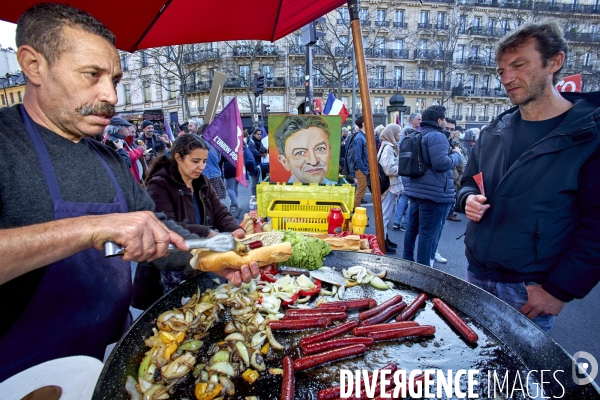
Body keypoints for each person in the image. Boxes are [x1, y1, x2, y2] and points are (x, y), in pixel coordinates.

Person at [0, 4, 259, 382]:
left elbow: (161, 232)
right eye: (92, 75)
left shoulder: (111, 160)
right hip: (19, 374)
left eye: (115, 80)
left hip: (114, 355)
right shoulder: (6, 145)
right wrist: (90, 228)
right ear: (33, 65)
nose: (111, 96)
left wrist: (220, 251)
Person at [457, 20, 600, 332]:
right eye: (501, 71)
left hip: (528, 290)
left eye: (518, 65)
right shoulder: (493, 130)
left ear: (555, 62)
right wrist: (468, 198)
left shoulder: (589, 137)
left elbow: (597, 228)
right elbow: (467, 180)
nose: (507, 78)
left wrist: (559, 290)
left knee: (515, 379)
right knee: (472, 366)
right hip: (476, 274)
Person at [141, 134, 251, 299]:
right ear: (178, 157)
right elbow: (166, 224)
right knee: (182, 310)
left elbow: (220, 212)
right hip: (177, 261)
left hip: (205, 254)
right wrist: (207, 233)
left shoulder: (202, 181)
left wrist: (236, 230)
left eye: (204, 161)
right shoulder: (160, 184)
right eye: (195, 161)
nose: (201, 166)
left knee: (208, 302)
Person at [402, 105, 462, 267]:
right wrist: (457, 155)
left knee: (412, 230)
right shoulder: (437, 136)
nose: (445, 122)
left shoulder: (418, 134)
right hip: (434, 193)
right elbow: (441, 163)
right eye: (443, 119)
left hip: (417, 190)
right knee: (428, 234)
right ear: (439, 120)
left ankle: (407, 264)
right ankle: (424, 270)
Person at [274, 115, 335, 184]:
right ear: (284, 162)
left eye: (320, 149)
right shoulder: (278, 194)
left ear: (329, 152)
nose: (313, 162)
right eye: (300, 153)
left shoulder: (340, 191)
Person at [378, 124, 403, 254]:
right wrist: (403, 169)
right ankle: (381, 243)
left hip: (389, 186)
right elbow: (389, 169)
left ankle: (385, 239)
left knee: (385, 215)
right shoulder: (388, 148)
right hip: (389, 186)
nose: (400, 135)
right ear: (392, 134)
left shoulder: (387, 146)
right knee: (385, 216)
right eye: (398, 133)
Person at [106, 116, 146, 183]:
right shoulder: (114, 141)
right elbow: (126, 162)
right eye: (127, 127)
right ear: (119, 129)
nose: (129, 129)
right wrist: (139, 151)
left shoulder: (120, 139)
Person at [347, 115, 369, 206]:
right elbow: (358, 157)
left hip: (362, 169)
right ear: (364, 123)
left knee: (361, 192)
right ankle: (356, 214)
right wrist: (365, 171)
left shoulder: (361, 136)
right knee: (360, 193)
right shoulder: (360, 137)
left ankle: (357, 213)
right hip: (361, 169)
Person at [247, 127, 267, 195]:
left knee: (259, 181)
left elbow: (263, 150)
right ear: (254, 134)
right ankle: (253, 197)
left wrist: (264, 153)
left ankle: (258, 196)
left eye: (260, 134)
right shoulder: (251, 142)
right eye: (258, 134)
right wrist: (261, 154)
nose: (259, 135)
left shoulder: (260, 142)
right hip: (253, 164)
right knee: (254, 182)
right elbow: (253, 152)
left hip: (259, 164)